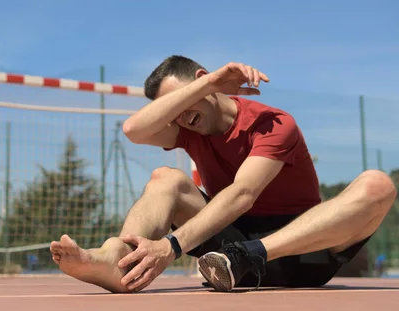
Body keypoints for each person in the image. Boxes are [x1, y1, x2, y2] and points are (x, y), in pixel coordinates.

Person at [49, 55, 397, 293]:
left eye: (188, 102)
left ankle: (250, 254)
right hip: (225, 257)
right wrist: (206, 86)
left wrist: (170, 246)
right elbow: (133, 130)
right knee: (164, 178)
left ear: (203, 81)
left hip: (298, 254)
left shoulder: (274, 123)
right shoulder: (187, 129)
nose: (182, 117)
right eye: (176, 108)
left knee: (378, 184)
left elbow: (243, 194)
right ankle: (120, 262)